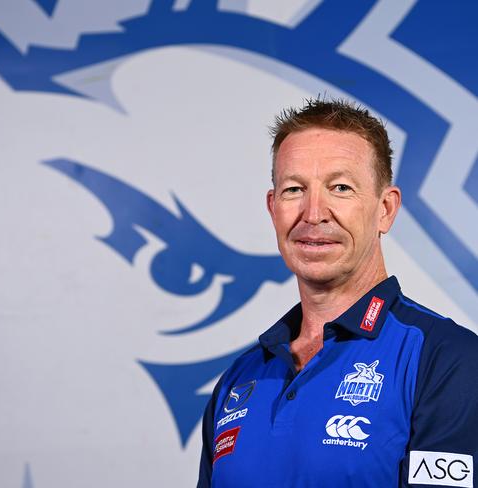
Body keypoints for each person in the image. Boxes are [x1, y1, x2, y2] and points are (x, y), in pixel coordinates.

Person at [197, 99, 478, 487]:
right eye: (294, 189)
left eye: (340, 187)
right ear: (272, 206)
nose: (314, 213)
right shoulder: (238, 380)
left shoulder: (449, 361)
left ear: (385, 209)